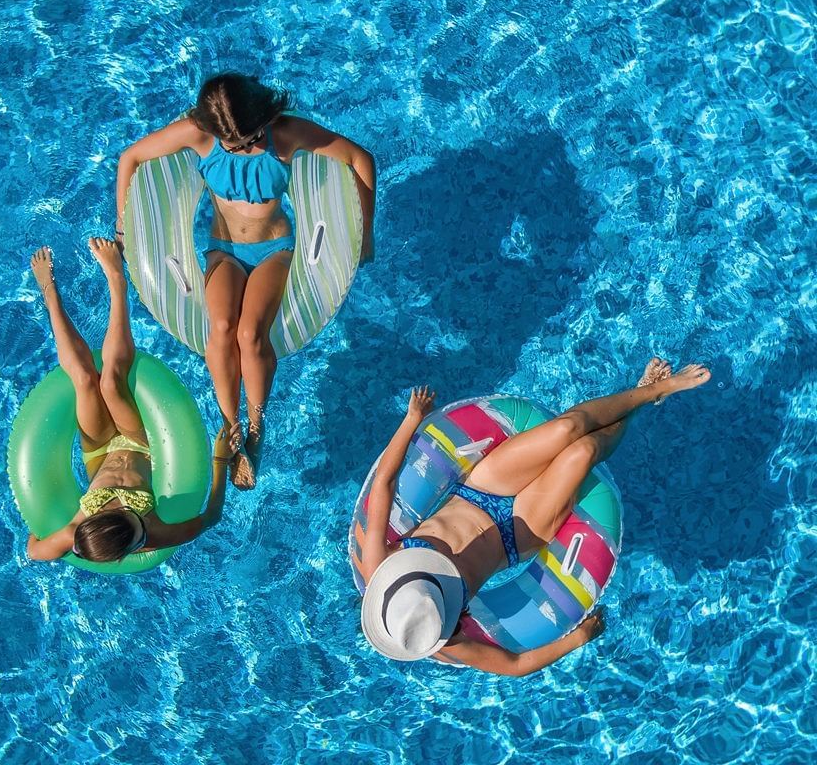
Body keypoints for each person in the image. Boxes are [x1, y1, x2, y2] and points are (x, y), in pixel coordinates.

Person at [359, 359, 712, 674]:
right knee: (584, 450)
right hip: (518, 533)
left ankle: (658, 389)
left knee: (567, 429)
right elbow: (514, 665)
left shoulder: (381, 561)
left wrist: (411, 420)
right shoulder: (443, 631)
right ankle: (642, 398)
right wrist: (578, 639)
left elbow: (386, 483)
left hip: (480, 489)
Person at [115, 72, 376, 490]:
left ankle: (256, 428)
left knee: (251, 333)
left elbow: (360, 158)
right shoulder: (199, 135)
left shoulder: (284, 134)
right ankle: (230, 425)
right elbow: (130, 158)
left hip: (275, 249)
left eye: (252, 139)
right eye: (234, 145)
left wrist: (366, 232)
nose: (246, 149)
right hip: (224, 250)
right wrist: (124, 225)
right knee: (219, 328)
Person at [25, 239, 230, 562]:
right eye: (133, 521)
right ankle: (117, 281)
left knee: (84, 380)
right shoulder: (155, 534)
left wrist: (40, 514)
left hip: (99, 448)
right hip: (139, 444)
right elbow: (210, 518)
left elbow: (35, 552)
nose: (125, 511)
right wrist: (220, 461)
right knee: (110, 382)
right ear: (135, 546)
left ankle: (50, 293)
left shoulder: (74, 532)